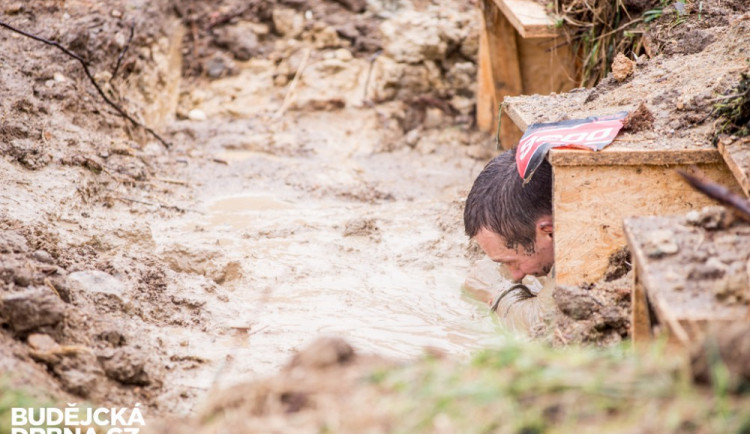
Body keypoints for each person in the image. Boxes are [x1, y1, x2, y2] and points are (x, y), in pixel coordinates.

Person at [463, 148, 555, 333]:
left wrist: (498, 292)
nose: (516, 276)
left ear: (549, 232)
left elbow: (543, 324)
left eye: (513, 262)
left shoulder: (581, 236)